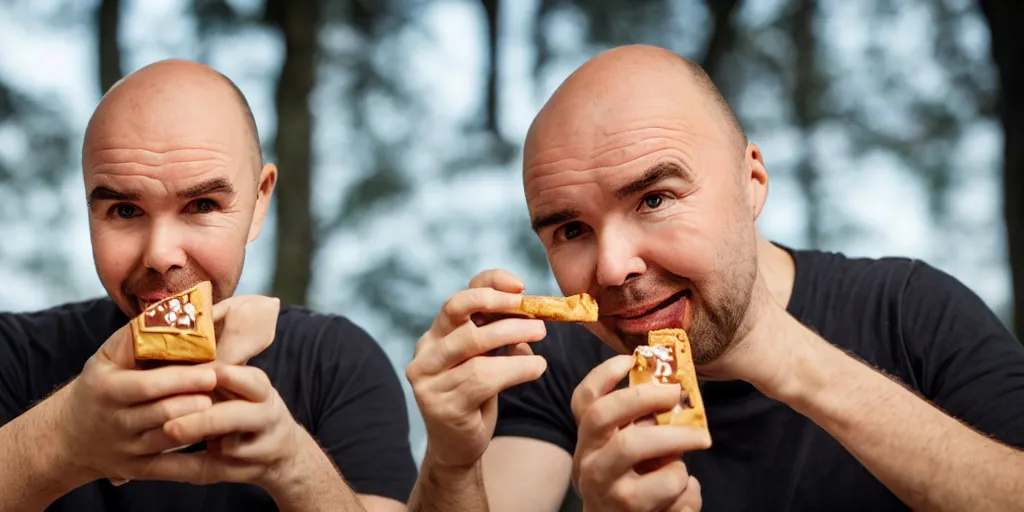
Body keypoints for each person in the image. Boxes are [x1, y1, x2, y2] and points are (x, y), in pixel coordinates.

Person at [405, 44, 1024, 511]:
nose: (614, 268)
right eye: (570, 230)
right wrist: (452, 463)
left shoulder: (908, 308)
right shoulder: (547, 364)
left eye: (654, 199)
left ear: (751, 184)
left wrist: (781, 354)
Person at [0, 59, 417, 511]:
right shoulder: (13, 355)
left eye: (201, 205)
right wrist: (61, 437)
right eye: (124, 210)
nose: (161, 255)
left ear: (260, 202)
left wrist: (296, 467)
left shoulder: (338, 364)